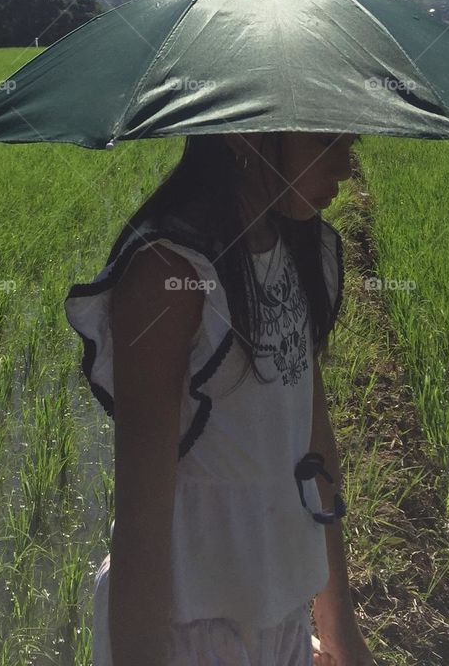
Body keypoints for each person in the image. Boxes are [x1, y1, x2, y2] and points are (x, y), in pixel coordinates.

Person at [64, 129, 376, 666]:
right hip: (187, 629)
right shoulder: (170, 273)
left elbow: (315, 447)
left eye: (349, 142)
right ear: (246, 136)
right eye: (326, 142)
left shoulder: (302, 247)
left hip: (282, 611)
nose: (345, 167)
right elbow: (142, 516)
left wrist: (339, 628)